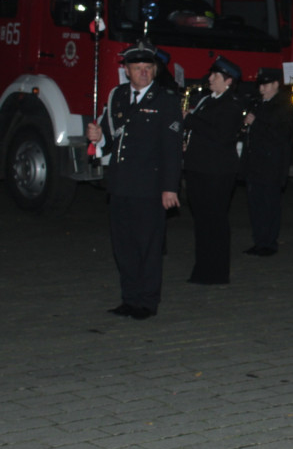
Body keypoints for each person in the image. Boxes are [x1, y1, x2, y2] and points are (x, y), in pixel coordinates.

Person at [86, 40, 182, 320]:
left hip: (150, 187)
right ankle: (129, 298)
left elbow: (172, 149)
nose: (143, 73)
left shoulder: (166, 100)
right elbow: (109, 139)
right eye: (137, 68)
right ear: (126, 70)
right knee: (124, 247)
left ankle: (147, 302)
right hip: (120, 184)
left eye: (147, 68)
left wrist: (169, 187)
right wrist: (97, 138)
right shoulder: (117, 96)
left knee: (148, 247)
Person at [183, 56, 245, 285]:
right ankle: (203, 268)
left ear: (228, 80)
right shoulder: (208, 100)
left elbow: (221, 135)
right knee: (201, 221)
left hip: (217, 171)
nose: (210, 79)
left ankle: (217, 272)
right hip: (199, 168)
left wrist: (190, 120)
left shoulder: (232, 104)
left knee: (215, 221)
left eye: (215, 76)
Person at [242, 67, 293, 257]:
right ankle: (259, 240)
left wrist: (256, 122)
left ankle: (269, 242)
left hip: (272, 164)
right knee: (256, 204)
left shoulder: (284, 105)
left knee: (269, 205)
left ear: (275, 85)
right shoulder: (258, 103)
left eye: (265, 85)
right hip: (255, 163)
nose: (262, 89)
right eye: (260, 85)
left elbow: (281, 134)